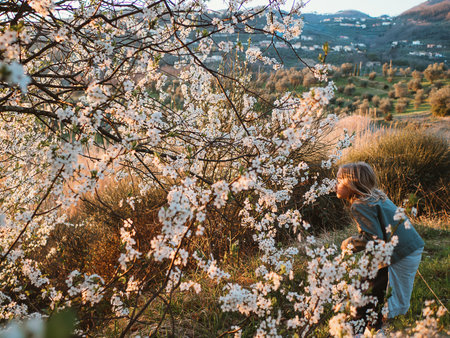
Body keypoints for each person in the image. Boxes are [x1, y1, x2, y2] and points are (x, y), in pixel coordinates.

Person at [336, 162, 425, 335]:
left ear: (352, 184)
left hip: (400, 254)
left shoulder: (360, 204)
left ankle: (360, 330)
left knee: (368, 295)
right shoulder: (376, 197)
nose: (335, 184)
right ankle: (374, 329)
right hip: (406, 249)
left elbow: (373, 239)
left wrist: (349, 244)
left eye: (339, 180)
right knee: (371, 292)